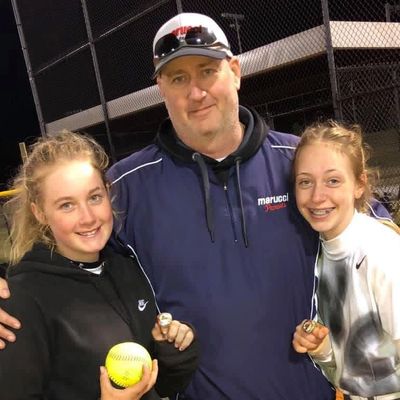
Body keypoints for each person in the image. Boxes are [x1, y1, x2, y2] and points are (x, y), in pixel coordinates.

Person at [0, 13, 392, 400]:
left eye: (207, 71)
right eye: (178, 78)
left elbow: (379, 237)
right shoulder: (124, 187)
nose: (196, 91)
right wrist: (7, 292)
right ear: (161, 88)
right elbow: (60, 256)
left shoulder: (301, 165)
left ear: (235, 72)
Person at [0, 131, 198, 400]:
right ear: (40, 212)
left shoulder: (127, 269)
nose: (88, 218)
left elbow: (159, 387)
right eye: (67, 205)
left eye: (94, 197)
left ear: (107, 192)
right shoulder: (22, 300)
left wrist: (172, 352)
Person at [291, 121, 400, 399]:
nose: (317, 196)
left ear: (359, 184)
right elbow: (349, 370)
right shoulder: (317, 255)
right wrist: (322, 347)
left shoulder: (380, 250)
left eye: (333, 180)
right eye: (305, 182)